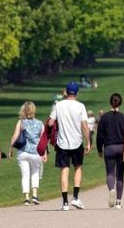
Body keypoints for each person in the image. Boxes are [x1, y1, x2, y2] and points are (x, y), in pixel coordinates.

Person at [47, 82, 91, 211]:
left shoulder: (58, 105)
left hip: (62, 143)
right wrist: (88, 141)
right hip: (77, 142)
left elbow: (50, 123)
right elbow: (84, 126)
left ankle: (65, 202)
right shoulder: (80, 106)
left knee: (64, 171)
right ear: (77, 93)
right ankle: (76, 198)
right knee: (78, 168)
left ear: (66, 92)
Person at [96, 93, 124, 210]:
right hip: (122, 148)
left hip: (109, 148)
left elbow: (99, 136)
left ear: (110, 102)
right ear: (120, 103)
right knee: (120, 175)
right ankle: (118, 202)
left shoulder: (104, 117)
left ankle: (111, 189)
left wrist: (99, 149)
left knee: (110, 173)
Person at [7, 101, 45, 206]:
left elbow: (15, 136)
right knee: (35, 173)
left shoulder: (21, 122)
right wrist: (44, 153)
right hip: (36, 153)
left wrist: (10, 149)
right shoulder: (40, 123)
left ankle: (26, 198)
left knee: (25, 174)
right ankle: (35, 195)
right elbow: (43, 140)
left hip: (23, 152)